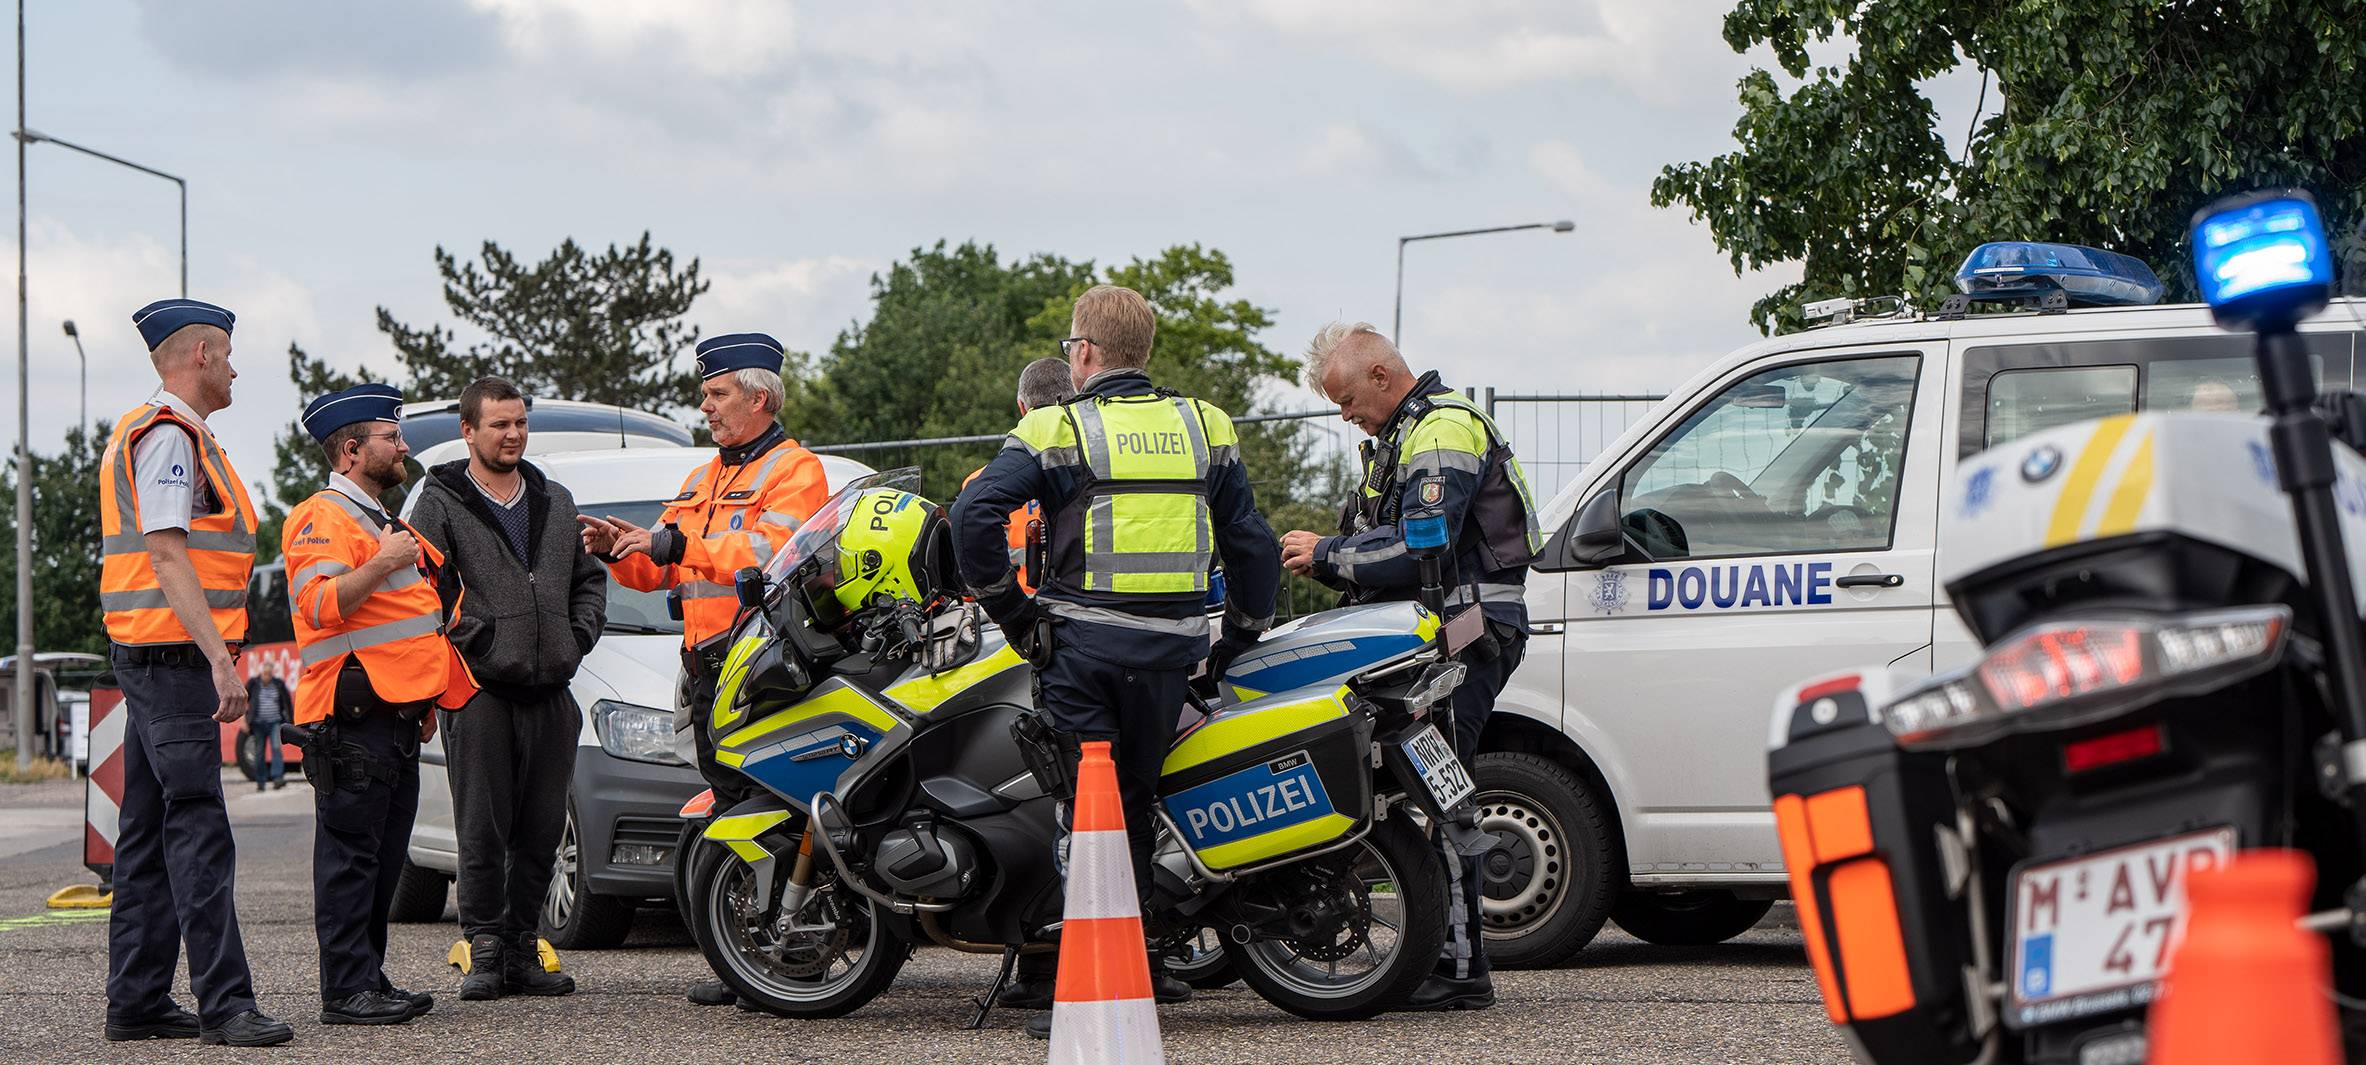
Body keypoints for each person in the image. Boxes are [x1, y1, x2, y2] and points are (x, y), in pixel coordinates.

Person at [952, 285, 1281, 1039]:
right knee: (1133, 806)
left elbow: (973, 516)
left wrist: (1016, 616)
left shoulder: (1055, 426)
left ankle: (1092, 987)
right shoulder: (1206, 425)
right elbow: (1252, 542)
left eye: (1072, 346)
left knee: (1083, 816)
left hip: (1083, 653)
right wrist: (1236, 637)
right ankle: (1146, 964)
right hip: (1171, 655)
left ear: (1086, 353)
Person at [1279, 322, 1542, 1012]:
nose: (1343, 415)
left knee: (1442, 790)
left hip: (1465, 631)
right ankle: (1452, 959)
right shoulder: (1404, 436)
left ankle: (1459, 967)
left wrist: (1329, 553)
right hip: (1448, 630)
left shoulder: (1440, 430)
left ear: (1379, 376)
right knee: (1432, 786)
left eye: (1344, 400)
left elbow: (1420, 549)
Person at [575, 332, 829, 1007]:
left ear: (757, 396)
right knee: (729, 808)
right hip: (713, 668)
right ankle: (750, 959)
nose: (705, 404)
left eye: (716, 393)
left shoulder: (793, 470)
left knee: (768, 811)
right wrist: (615, 548)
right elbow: (659, 558)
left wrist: (674, 541)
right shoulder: (706, 475)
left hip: (767, 667)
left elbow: (772, 550)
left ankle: (791, 957)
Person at [96, 298, 292, 1047]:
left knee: (147, 832)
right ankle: (226, 1003)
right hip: (175, 661)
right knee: (199, 828)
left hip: (149, 655)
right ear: (202, 356)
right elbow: (169, 551)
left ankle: (138, 999)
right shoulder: (171, 438)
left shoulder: (163, 433)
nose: (238, 367)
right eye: (231, 354)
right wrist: (219, 657)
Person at [283, 383, 478, 1027]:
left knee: (383, 859)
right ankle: (345, 989)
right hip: (350, 720)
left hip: (392, 717)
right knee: (350, 859)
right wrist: (385, 560)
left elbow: (422, 617)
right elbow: (319, 604)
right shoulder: (321, 518)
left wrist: (426, 699)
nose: (402, 447)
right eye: (390, 438)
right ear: (349, 450)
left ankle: (367, 976)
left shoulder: (382, 523)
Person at [408, 376, 605, 1001]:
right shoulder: (439, 501)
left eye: (519, 422)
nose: (513, 434)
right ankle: (485, 950)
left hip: (552, 690)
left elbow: (589, 580)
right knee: (482, 830)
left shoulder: (556, 500)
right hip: (480, 692)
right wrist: (483, 643)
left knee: (542, 830)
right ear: (469, 431)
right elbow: (423, 592)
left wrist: (575, 639)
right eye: (499, 424)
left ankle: (523, 949)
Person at [958, 356, 1074, 594]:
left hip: (1011, 606)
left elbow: (972, 546)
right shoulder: (1100, 471)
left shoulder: (977, 484)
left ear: (1022, 408)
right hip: (1076, 603)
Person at [245, 664, 291, 791]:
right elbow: (244, 699)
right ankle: (260, 781)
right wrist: (244, 720)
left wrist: (290, 720)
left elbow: (287, 703)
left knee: (276, 749)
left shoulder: (278, 684)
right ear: (261, 673)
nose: (267, 676)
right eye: (265, 673)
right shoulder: (253, 684)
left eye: (269, 674)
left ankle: (277, 779)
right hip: (258, 723)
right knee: (259, 753)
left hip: (274, 722)